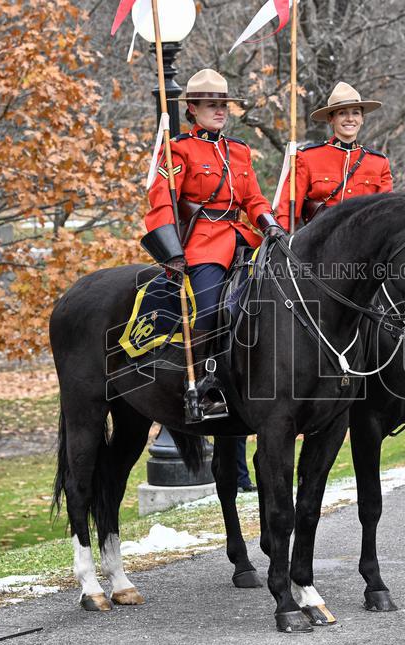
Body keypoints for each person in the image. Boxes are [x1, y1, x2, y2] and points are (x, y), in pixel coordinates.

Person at [140, 69, 284, 423]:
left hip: (244, 237)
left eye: (223, 105)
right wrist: (171, 253)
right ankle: (202, 386)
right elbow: (161, 201)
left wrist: (270, 225)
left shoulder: (239, 150)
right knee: (208, 308)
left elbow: (253, 199)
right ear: (192, 108)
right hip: (204, 242)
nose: (220, 111)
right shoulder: (178, 149)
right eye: (211, 105)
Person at [276, 82, 393, 229]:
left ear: (362, 119)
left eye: (356, 113)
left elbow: (386, 212)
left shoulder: (379, 162)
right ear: (331, 118)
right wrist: (282, 234)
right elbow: (288, 208)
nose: (350, 119)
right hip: (320, 237)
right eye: (342, 113)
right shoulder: (309, 157)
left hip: (365, 237)